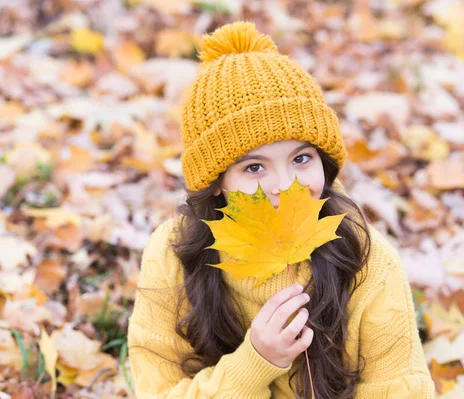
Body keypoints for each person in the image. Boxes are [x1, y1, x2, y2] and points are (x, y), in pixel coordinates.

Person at [127, 21, 435, 399]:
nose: (284, 185)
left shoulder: (367, 260)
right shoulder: (172, 253)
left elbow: (398, 387)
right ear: (216, 181)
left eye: (301, 158)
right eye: (254, 167)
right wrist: (254, 362)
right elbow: (157, 389)